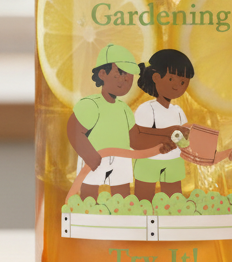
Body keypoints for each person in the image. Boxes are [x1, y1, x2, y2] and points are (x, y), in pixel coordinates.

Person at [66, 44, 177, 201]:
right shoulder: (91, 104)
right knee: (89, 194)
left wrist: (163, 139)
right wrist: (89, 155)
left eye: (130, 75)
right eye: (121, 72)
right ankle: (86, 213)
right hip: (94, 157)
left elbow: (136, 138)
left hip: (120, 160)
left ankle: (122, 213)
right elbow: (74, 129)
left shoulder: (124, 109)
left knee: (122, 196)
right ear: (102, 73)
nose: (126, 79)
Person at [131, 49, 197, 202]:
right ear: (156, 77)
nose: (177, 86)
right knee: (143, 198)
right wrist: (164, 137)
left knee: (174, 199)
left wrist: (186, 140)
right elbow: (138, 136)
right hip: (148, 161)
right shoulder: (146, 109)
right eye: (171, 79)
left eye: (182, 82)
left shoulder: (178, 111)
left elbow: (184, 139)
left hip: (173, 162)